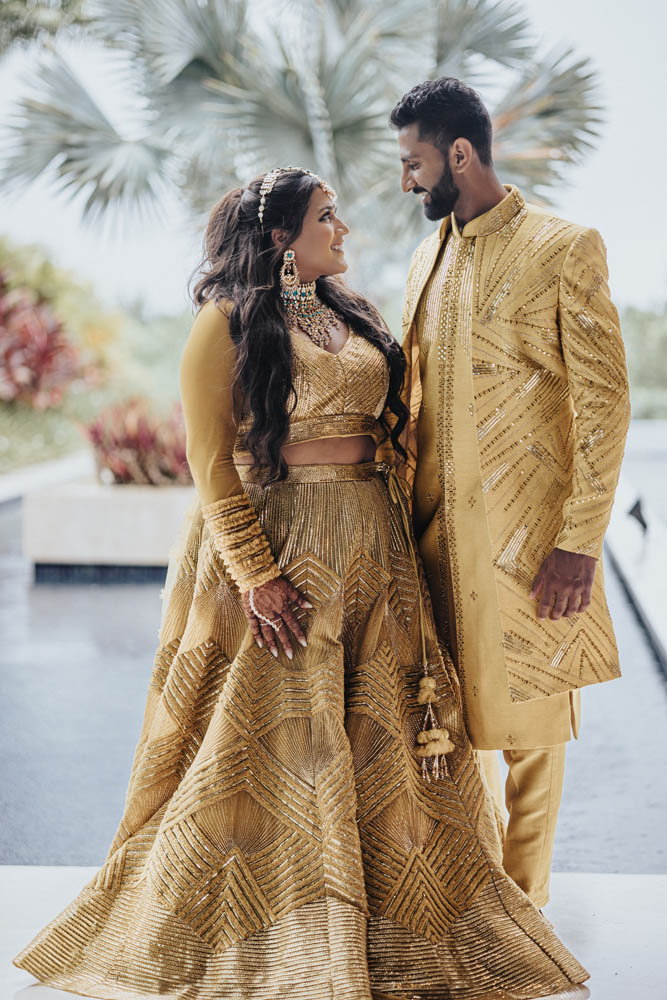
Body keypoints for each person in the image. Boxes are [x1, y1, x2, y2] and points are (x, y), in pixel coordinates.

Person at [13, 167, 590, 999]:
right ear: (281, 236)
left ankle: (393, 923)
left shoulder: (350, 314)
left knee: (376, 738)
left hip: (369, 545)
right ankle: (265, 920)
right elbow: (209, 465)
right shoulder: (224, 323)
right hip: (276, 549)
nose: (344, 229)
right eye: (328, 217)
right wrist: (256, 575)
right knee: (268, 740)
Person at [390, 77, 631, 910]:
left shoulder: (563, 246)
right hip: (427, 537)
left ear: (460, 153)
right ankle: (468, 907)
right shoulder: (427, 256)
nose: (406, 181)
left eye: (414, 162)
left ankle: (525, 912)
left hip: (527, 541)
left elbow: (604, 403)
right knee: (443, 728)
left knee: (530, 730)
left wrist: (579, 542)